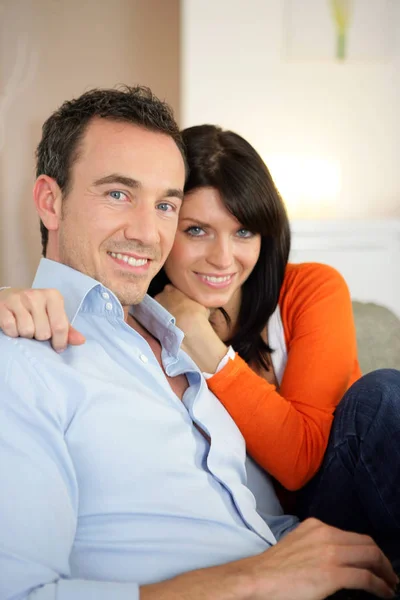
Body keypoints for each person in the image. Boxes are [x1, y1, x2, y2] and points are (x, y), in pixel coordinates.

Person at [0, 86, 398, 600]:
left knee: (382, 398)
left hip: (313, 557)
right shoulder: (23, 353)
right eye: (119, 194)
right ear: (50, 202)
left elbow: (271, 509)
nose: (148, 232)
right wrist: (258, 579)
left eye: (165, 204)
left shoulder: (165, 335)